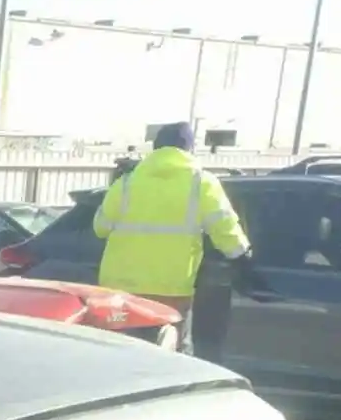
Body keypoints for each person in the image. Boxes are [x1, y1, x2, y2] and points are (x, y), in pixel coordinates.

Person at [95, 122, 259, 356]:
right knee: (167, 360)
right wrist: (244, 258)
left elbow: (100, 228)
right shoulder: (201, 183)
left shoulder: (127, 183)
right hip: (170, 292)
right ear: (189, 149)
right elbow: (226, 232)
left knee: (118, 357)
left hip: (119, 292)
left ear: (155, 147)